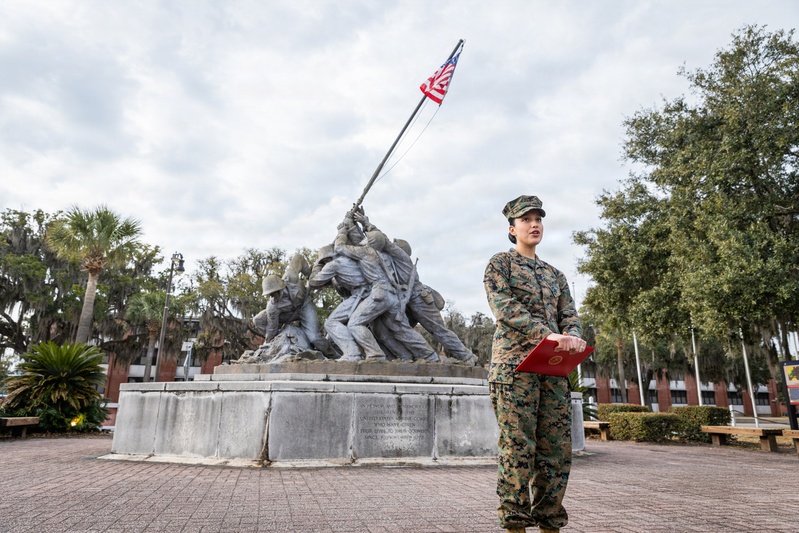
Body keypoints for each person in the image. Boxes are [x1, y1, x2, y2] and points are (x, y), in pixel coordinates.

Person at [483, 195, 586, 533]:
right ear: (512, 229)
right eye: (526, 219)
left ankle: (549, 523)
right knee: (518, 449)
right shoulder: (500, 265)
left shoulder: (554, 275)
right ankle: (515, 524)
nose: (534, 224)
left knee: (556, 454)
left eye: (538, 218)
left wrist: (572, 336)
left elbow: (570, 315)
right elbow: (505, 309)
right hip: (515, 369)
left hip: (551, 371)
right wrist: (548, 335)